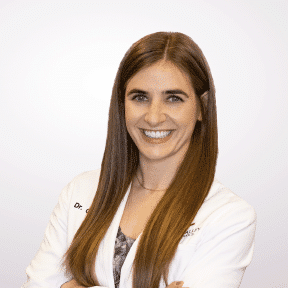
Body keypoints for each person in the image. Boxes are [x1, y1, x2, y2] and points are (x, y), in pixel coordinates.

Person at [22, 32, 257, 288]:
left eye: (173, 98)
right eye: (140, 97)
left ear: (202, 107)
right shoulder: (79, 191)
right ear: (122, 104)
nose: (154, 117)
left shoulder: (230, 216)